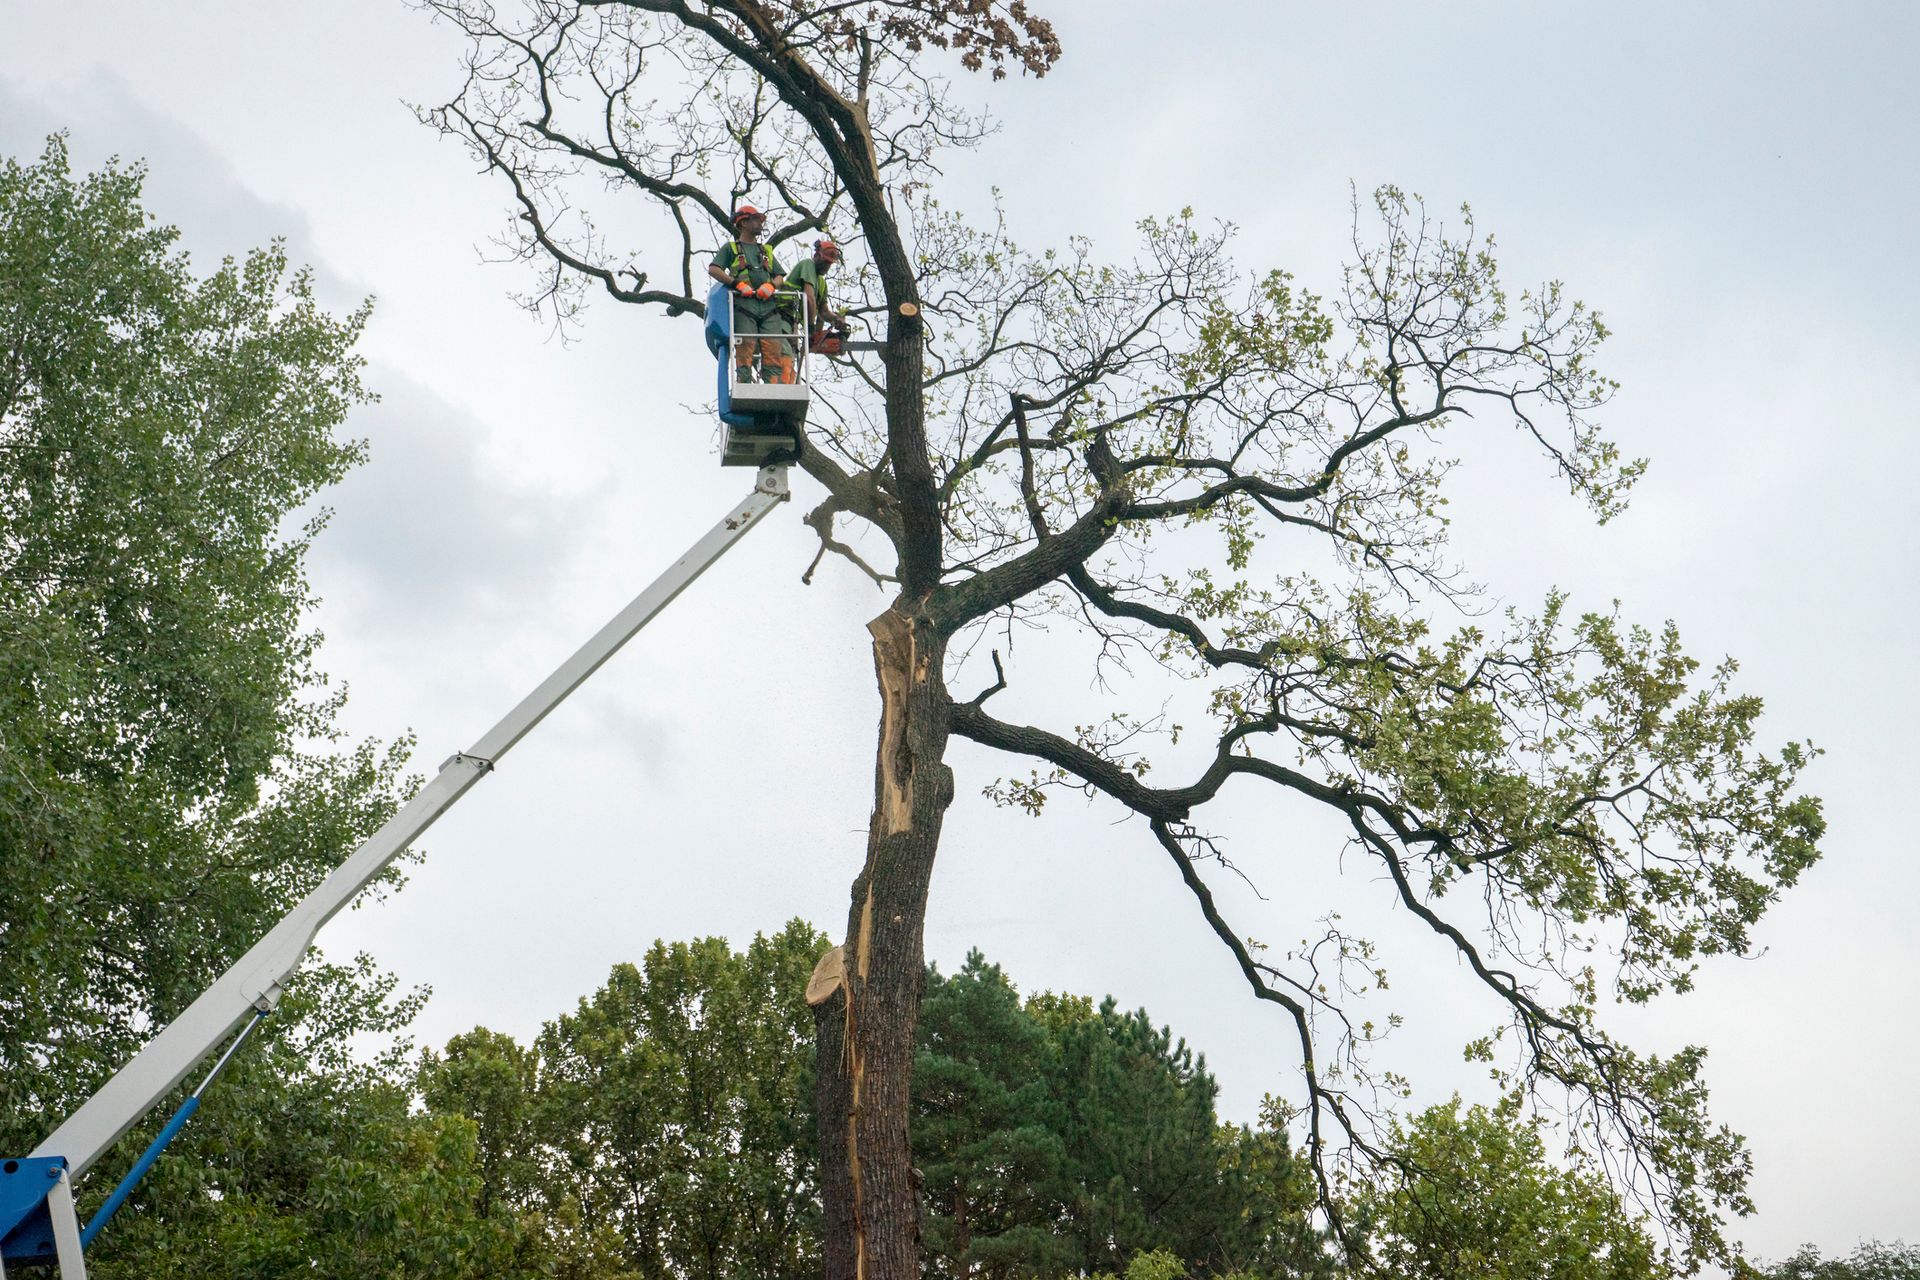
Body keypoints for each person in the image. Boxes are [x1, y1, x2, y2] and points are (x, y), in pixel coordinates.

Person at [707, 206, 795, 383]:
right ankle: (744, 381)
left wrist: (771, 285)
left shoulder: (765, 251)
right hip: (744, 305)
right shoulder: (731, 248)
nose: (759, 224)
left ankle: (772, 385)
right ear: (744, 222)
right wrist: (736, 283)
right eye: (755, 220)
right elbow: (714, 269)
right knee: (746, 344)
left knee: (773, 347)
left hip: (769, 306)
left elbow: (780, 276)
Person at [786, 238, 851, 356]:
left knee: (790, 356)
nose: (827, 266)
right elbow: (809, 299)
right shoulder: (808, 264)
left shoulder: (821, 283)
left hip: (793, 321)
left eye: (830, 264)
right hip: (783, 314)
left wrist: (836, 319)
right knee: (784, 354)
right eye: (825, 262)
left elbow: (824, 312)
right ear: (817, 256)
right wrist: (811, 328)